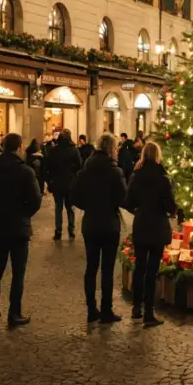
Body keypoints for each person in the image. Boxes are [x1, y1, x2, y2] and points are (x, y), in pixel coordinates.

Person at [0, 133, 42, 328]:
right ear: (19, 146)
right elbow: (35, 200)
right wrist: (24, 214)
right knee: (18, 272)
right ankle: (14, 313)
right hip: (18, 228)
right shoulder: (25, 171)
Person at [71, 133, 127, 324]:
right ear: (112, 149)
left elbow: (75, 196)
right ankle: (106, 310)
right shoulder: (115, 172)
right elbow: (123, 197)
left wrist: (89, 205)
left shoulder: (85, 171)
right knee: (107, 269)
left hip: (91, 223)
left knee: (91, 266)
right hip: (109, 224)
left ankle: (91, 309)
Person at [125, 141, 177, 328]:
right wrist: (171, 210)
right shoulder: (163, 177)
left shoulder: (136, 176)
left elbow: (128, 201)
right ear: (157, 155)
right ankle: (149, 311)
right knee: (152, 270)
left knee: (140, 267)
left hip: (141, 225)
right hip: (157, 226)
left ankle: (136, 308)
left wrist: (139, 210)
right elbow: (170, 204)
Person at [46, 128, 82, 240]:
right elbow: (79, 165)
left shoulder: (54, 150)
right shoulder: (74, 150)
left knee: (58, 208)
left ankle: (58, 231)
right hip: (70, 183)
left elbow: (49, 166)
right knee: (70, 208)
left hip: (57, 183)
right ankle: (71, 231)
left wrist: (50, 180)